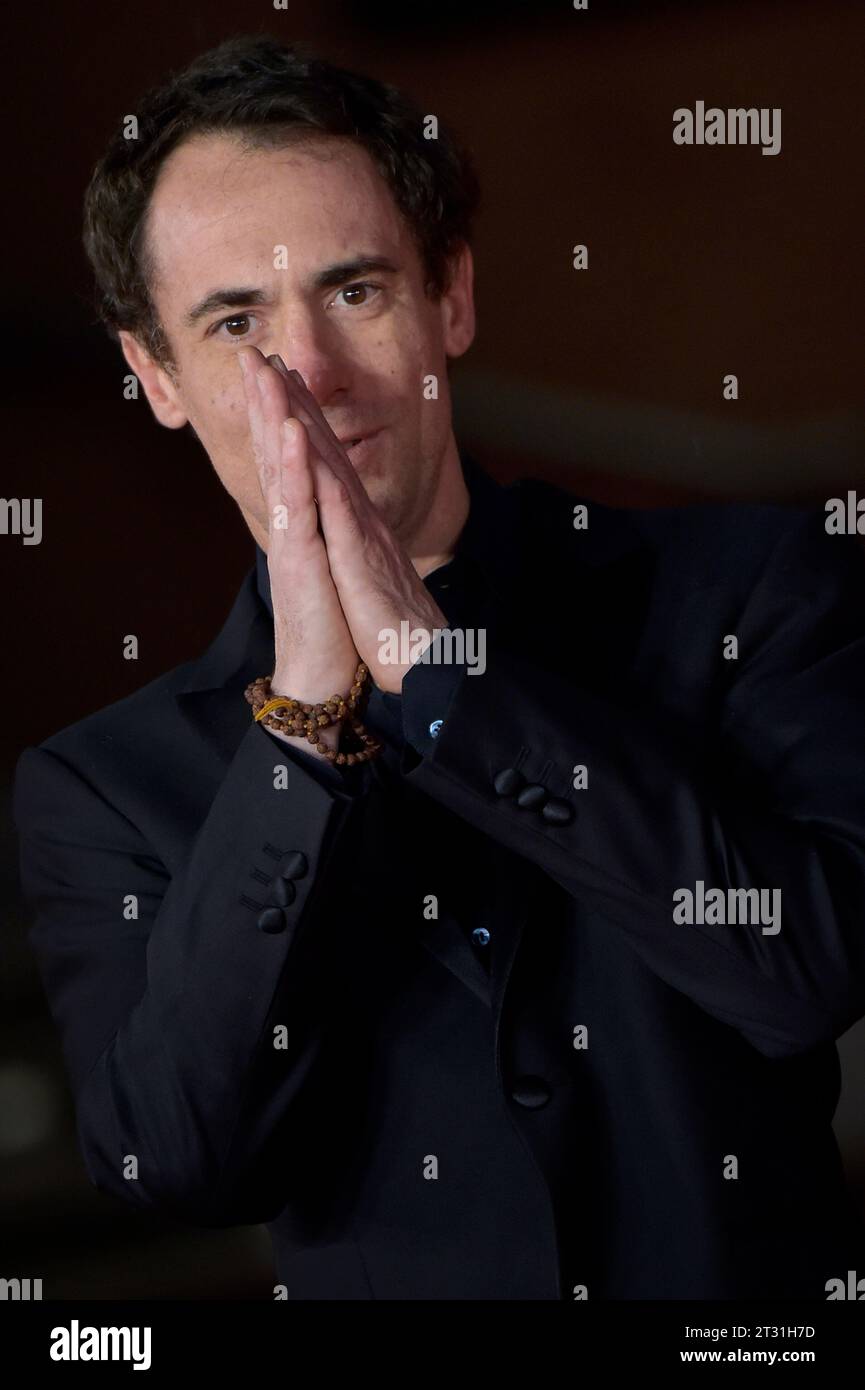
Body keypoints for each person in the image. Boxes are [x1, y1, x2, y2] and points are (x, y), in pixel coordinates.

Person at [13, 33, 865, 1301]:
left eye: (354, 291)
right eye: (236, 321)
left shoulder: (745, 587)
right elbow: (180, 1163)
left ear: (450, 296)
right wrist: (301, 721)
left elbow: (805, 974)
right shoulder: (102, 785)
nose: (307, 374)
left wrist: (433, 667)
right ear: (157, 378)